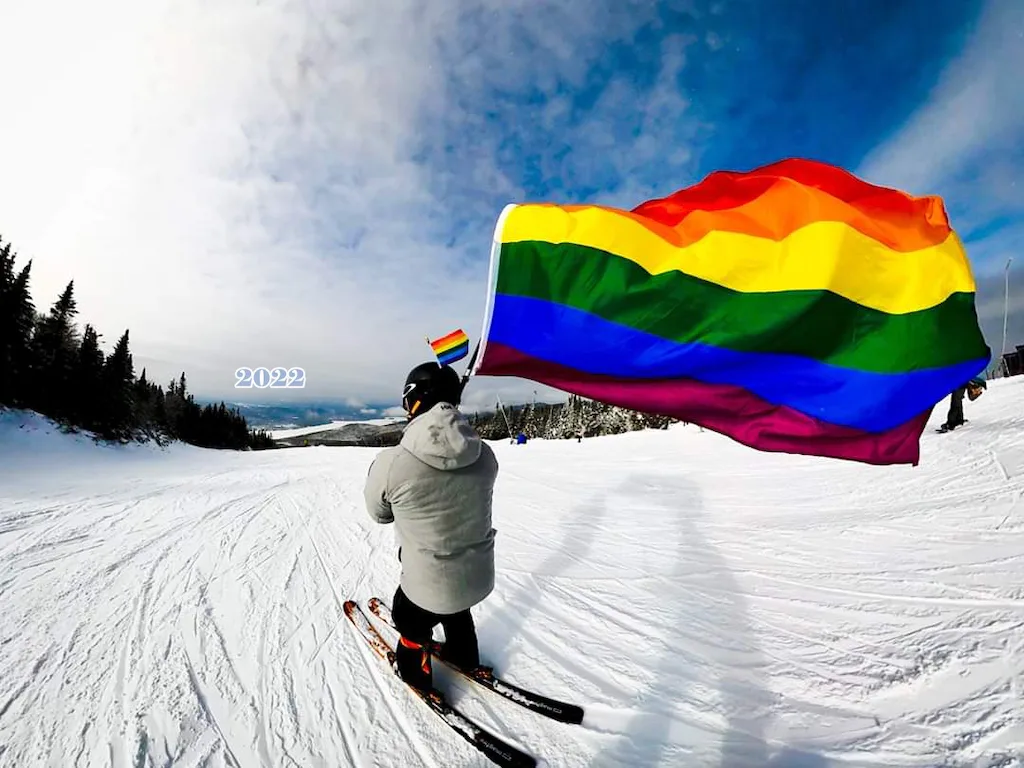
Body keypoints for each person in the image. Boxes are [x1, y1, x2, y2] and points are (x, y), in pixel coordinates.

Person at [363, 361, 499, 692]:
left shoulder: (392, 462)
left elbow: (379, 514)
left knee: (408, 618)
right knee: (455, 607)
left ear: (417, 400)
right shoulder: (486, 455)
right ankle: (465, 655)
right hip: (478, 579)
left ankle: (415, 674)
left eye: (407, 400)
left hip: (429, 585)